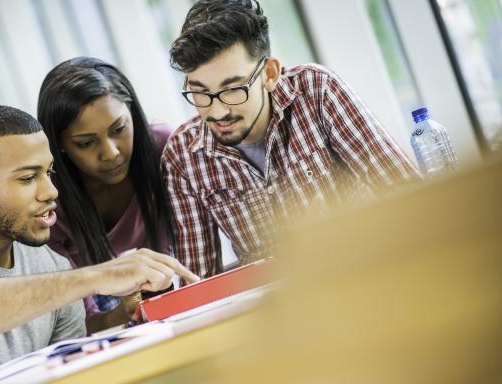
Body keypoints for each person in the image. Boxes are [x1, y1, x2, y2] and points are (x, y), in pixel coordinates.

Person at [0, 104, 198, 378]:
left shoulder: (52, 264)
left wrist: (126, 314)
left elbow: (73, 375)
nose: (51, 191)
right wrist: (94, 277)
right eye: (28, 178)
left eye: (49, 172)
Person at [162, 0, 420, 278]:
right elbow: (198, 287)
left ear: (270, 74)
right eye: (200, 92)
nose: (217, 111)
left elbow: (409, 199)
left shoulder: (317, 90)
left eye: (233, 89)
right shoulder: (182, 156)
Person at [37, 57, 174, 332]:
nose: (110, 153)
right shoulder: (49, 202)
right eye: (86, 143)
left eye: (119, 129)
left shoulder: (164, 148)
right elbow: (78, 324)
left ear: (132, 113)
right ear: (59, 145)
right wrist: (124, 312)